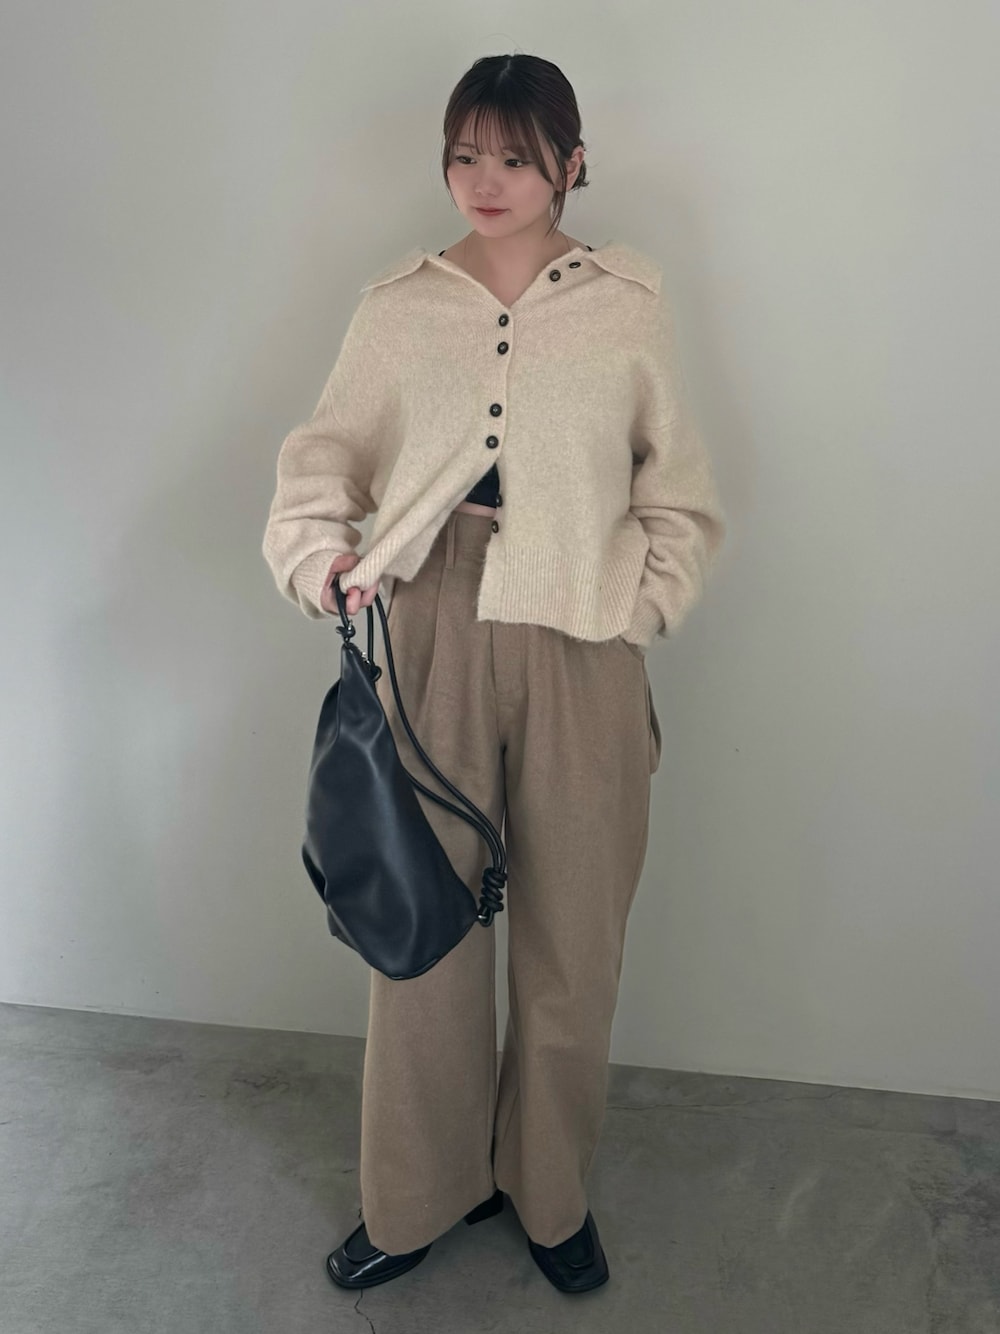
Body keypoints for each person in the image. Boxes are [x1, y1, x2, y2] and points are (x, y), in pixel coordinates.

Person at [262, 53, 726, 1296]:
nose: (485, 179)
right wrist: (319, 560)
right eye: (465, 154)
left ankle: (547, 1189)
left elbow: (677, 488)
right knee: (424, 939)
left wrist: (639, 603)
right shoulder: (399, 305)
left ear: (570, 162)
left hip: (584, 636)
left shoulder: (626, 303)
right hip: (432, 629)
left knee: (575, 942)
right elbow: (323, 461)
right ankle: (416, 1193)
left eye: (515, 156)